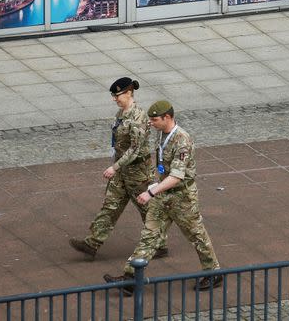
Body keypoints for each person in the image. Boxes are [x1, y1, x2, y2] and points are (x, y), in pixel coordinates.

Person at [104, 100, 221, 295]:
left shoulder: (182, 140)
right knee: (149, 235)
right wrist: (156, 187)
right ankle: (131, 277)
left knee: (196, 235)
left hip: (182, 198)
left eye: (155, 119)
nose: (151, 122)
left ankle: (213, 272)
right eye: (150, 119)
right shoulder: (162, 134)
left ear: (167, 117)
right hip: (163, 194)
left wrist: (151, 191)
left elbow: (176, 176)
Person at [69, 78, 169, 260]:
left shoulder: (138, 117)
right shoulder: (121, 114)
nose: (114, 99)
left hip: (138, 172)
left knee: (146, 208)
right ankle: (92, 243)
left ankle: (159, 244)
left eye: (117, 95)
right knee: (110, 206)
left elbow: (136, 149)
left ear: (129, 93)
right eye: (113, 96)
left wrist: (114, 167)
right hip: (123, 170)